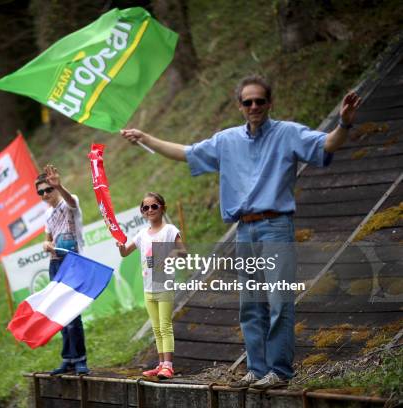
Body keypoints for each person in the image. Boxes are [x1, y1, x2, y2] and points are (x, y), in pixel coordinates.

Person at [121, 75, 361, 389]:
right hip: (244, 230)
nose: (254, 106)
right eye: (247, 101)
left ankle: (279, 371)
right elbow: (186, 152)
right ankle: (257, 369)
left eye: (260, 100)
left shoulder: (287, 133)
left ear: (269, 103)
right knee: (250, 303)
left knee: (278, 300)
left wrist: (343, 123)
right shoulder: (227, 140)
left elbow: (326, 145)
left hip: (276, 226)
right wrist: (145, 138)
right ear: (240, 106)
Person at [117, 192, 182, 379]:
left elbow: (183, 250)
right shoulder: (141, 234)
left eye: (154, 206)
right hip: (148, 289)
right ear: (142, 212)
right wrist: (121, 246)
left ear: (163, 208)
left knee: (165, 326)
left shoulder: (169, 230)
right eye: (146, 208)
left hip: (165, 287)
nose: (150, 210)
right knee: (156, 328)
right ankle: (161, 364)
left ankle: (168, 365)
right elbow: (125, 253)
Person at [36, 164, 88, 375]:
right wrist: (45, 245)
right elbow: (47, 239)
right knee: (60, 313)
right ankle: (68, 358)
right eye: (41, 192)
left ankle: (81, 360)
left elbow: (72, 202)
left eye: (48, 189)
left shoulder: (69, 202)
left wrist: (60, 186)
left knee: (73, 313)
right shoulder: (47, 215)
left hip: (73, 262)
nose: (46, 194)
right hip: (55, 263)